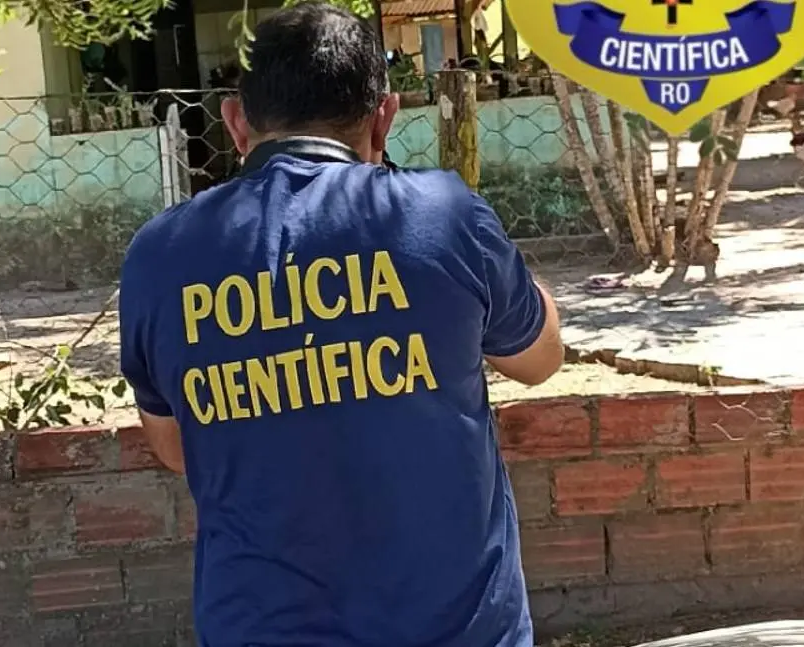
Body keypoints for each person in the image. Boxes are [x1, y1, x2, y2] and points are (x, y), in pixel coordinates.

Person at [117, 3, 564, 646]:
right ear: (385, 117)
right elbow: (539, 359)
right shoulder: (443, 216)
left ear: (236, 122)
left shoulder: (160, 255)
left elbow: (175, 447)